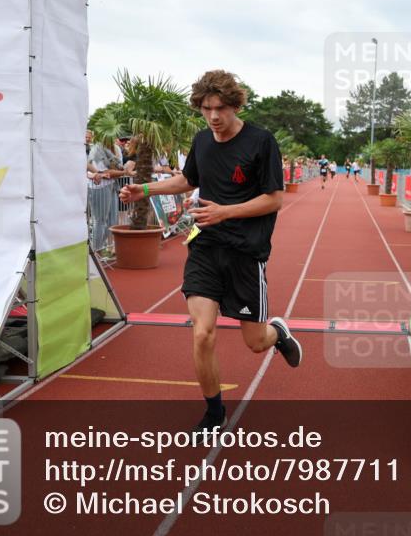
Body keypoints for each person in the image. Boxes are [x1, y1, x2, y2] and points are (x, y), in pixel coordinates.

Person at [119, 70, 301, 432]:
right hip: (204, 245)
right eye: (206, 109)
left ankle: (277, 333)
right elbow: (189, 180)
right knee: (202, 332)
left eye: (220, 108)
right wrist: (146, 189)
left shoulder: (261, 141)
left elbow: (274, 199)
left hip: (245, 252)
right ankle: (214, 412)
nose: (214, 116)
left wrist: (224, 212)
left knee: (254, 342)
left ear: (235, 105)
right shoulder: (202, 141)